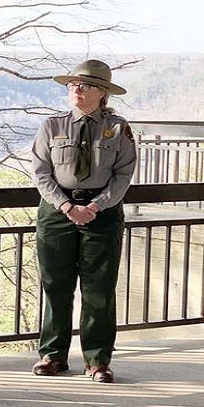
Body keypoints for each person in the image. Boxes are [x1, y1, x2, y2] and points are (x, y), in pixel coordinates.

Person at [30, 59, 137, 383]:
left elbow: (123, 174)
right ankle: (53, 355)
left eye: (86, 85)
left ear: (102, 92)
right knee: (56, 286)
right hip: (57, 211)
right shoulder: (52, 126)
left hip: (101, 213)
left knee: (99, 289)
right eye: (73, 84)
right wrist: (65, 205)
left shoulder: (118, 128)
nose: (77, 89)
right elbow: (41, 172)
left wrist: (95, 205)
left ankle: (98, 360)